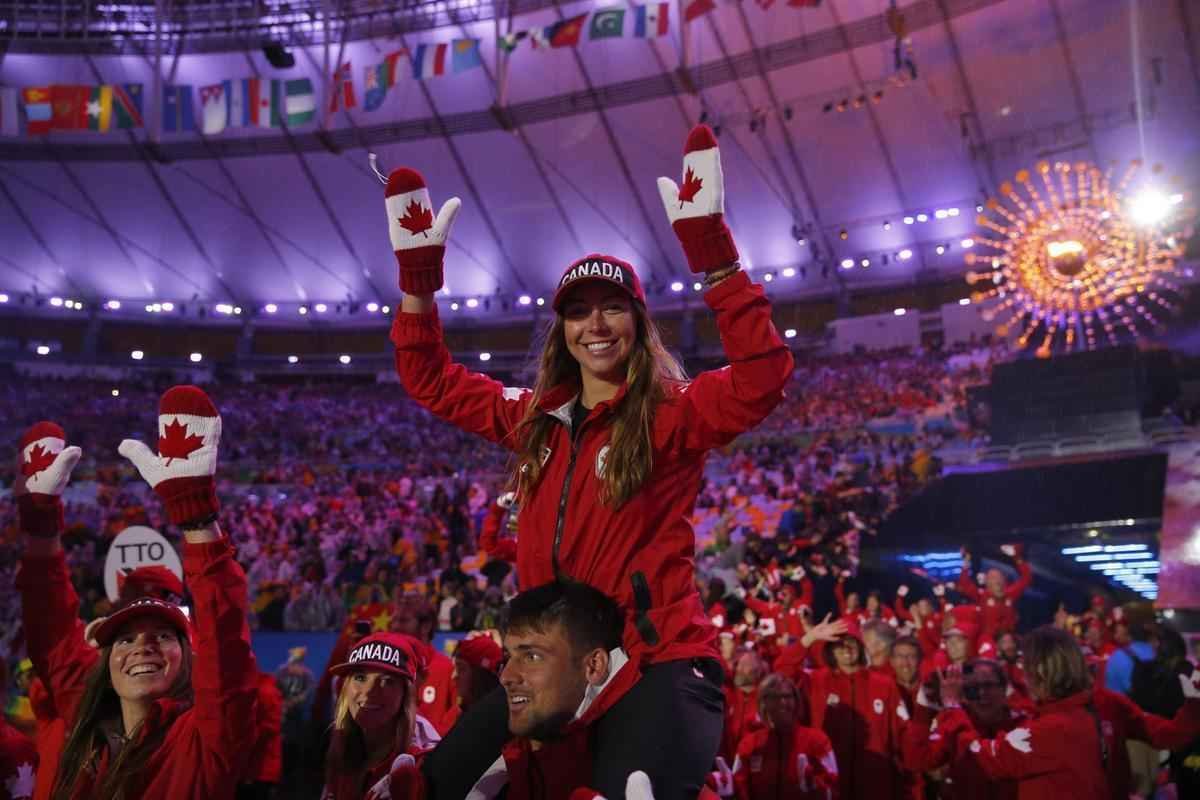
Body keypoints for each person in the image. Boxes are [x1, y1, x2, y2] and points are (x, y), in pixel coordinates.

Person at [389, 123, 792, 798]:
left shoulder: (672, 412)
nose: (595, 324)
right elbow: (428, 379)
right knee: (428, 789)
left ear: (637, 322)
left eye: (612, 309)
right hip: (556, 666)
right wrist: (418, 288)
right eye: (578, 312)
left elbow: (764, 375)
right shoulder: (534, 420)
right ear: (562, 330)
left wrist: (714, 258)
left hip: (657, 661)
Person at [14, 387, 259, 800]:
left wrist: (195, 513)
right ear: (106, 661)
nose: (142, 646)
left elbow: (226, 641)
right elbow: (51, 629)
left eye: (163, 635)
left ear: (189, 655)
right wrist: (40, 529)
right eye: (125, 638)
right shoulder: (82, 717)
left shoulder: (207, 741)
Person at [947, 626, 1107, 799]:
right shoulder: (1080, 713)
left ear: (1041, 671)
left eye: (1026, 665)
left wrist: (952, 706)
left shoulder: (1054, 728)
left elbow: (982, 760)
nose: (1024, 675)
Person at [789, 614, 906, 799]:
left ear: (861, 647)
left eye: (852, 642)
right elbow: (782, 672)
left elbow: (901, 736)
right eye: (839, 643)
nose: (846, 648)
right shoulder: (815, 680)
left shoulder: (884, 684)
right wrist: (808, 638)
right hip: (829, 780)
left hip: (875, 782)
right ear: (830, 649)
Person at [321, 632, 431, 800]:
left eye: (387, 681)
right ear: (345, 688)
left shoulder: (421, 764)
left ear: (405, 695)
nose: (369, 692)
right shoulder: (340, 749)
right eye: (360, 677)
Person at [903, 658, 1026, 800]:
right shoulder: (957, 719)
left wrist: (953, 708)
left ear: (1004, 689)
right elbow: (917, 760)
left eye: (988, 685)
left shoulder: (1023, 723)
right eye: (972, 688)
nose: (981, 693)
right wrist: (924, 706)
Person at [731, 673, 837, 800]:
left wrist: (815, 786)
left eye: (787, 696)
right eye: (774, 697)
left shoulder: (817, 741)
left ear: (796, 700)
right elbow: (738, 787)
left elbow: (833, 788)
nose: (782, 702)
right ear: (763, 703)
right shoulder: (749, 745)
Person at [956, 545, 1032, 643]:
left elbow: (1027, 577)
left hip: (1009, 641)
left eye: (999, 578)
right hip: (988, 641)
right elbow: (965, 583)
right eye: (993, 578)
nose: (997, 581)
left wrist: (1016, 557)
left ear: (1004, 581)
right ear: (987, 584)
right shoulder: (982, 596)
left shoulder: (1010, 594)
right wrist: (966, 562)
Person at [441, 634, 503, 734]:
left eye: (461, 669)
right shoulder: (457, 712)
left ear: (481, 675)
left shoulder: (504, 722)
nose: (454, 676)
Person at [0, 658, 37, 800]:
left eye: (36, 675)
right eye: (29, 676)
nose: (34, 681)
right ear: (18, 680)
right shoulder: (12, 705)